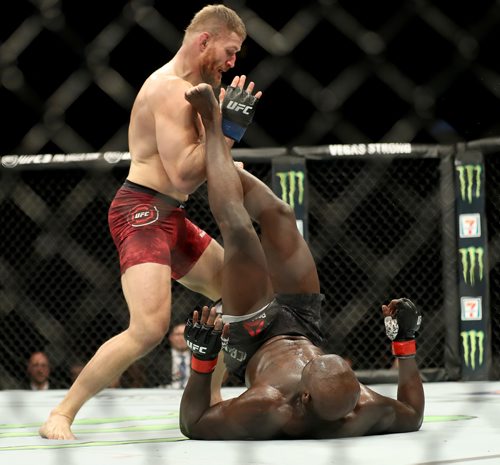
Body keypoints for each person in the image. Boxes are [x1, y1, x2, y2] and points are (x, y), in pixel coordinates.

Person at [40, 4, 258, 439]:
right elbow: (184, 173)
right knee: (149, 327)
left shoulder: (197, 89)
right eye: (230, 52)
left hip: (170, 213)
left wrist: (224, 127)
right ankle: (60, 414)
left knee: (237, 296)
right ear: (204, 41)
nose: (234, 63)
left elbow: (208, 165)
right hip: (140, 211)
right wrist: (227, 129)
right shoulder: (168, 90)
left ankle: (209, 404)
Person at [178, 83, 425, 439]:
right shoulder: (363, 407)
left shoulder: (269, 405)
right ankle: (217, 162)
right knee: (280, 214)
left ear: (304, 397)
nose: (311, 361)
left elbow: (193, 425)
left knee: (240, 232)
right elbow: (413, 416)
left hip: (254, 336)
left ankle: (213, 127)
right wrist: (405, 343)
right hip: (304, 323)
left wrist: (203, 360)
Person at [164, 322, 191, 389]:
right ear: (171, 337)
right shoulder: (158, 359)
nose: (182, 338)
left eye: (185, 334)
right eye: (178, 334)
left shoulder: (200, 357)